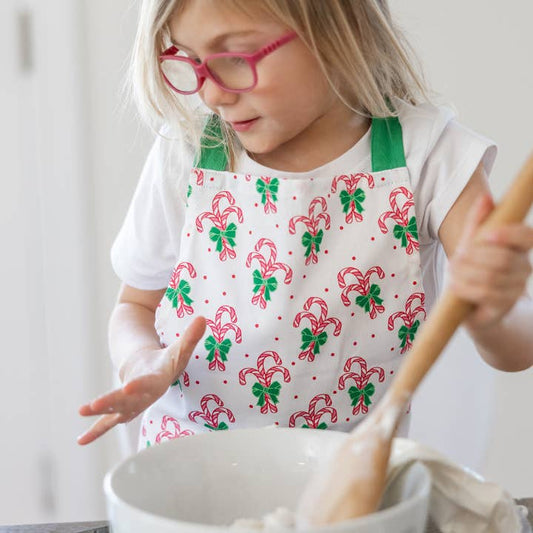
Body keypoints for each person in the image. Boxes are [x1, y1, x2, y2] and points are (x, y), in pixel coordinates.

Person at [78, 0, 533, 449]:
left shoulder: (431, 156)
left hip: (342, 492)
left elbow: (518, 349)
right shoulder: (187, 154)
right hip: (191, 476)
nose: (212, 93)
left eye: (235, 57)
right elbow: (134, 306)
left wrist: (493, 310)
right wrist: (140, 360)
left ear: (342, 30)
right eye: (189, 60)